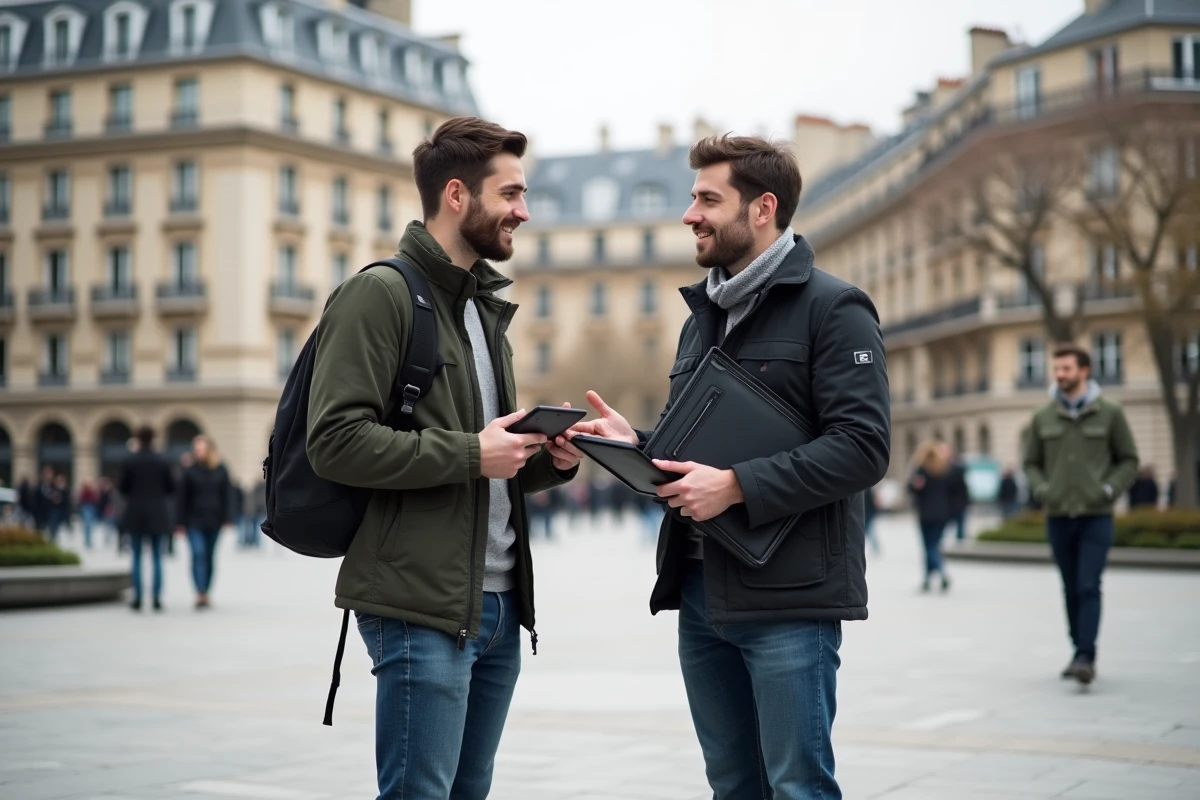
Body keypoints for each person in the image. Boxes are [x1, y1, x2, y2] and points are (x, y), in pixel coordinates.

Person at [561, 134, 890, 799]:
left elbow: (863, 446)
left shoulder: (835, 308)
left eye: (708, 200)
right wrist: (635, 444)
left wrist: (738, 487)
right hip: (702, 596)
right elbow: (700, 454)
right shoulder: (699, 319)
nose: (690, 215)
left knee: (798, 785)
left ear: (762, 208)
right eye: (692, 199)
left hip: (791, 600)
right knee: (732, 787)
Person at [304, 116, 580, 799]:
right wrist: (470, 453)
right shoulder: (380, 294)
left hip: (497, 606)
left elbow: (489, 458)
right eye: (511, 193)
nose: (524, 209)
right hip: (417, 607)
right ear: (457, 195)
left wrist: (556, 459)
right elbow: (334, 440)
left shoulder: (485, 312)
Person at [1023, 343, 1139, 686]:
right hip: (1058, 515)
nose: (1060, 375)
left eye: (1066, 369)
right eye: (1056, 369)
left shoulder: (1111, 412)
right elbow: (1030, 462)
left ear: (1084, 371)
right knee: (1070, 587)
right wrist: (1043, 489)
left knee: (1089, 585)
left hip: (1096, 516)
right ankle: (1079, 651)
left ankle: (1086, 654)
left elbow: (1129, 459)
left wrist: (1108, 490)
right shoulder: (1043, 416)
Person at [119, 426, 175, 611]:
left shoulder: (129, 461)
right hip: (158, 513)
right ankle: (157, 598)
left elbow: (122, 488)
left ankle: (138, 597)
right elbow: (171, 488)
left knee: (136, 557)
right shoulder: (163, 461)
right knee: (157, 557)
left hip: (135, 513)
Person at [176, 435, 232, 609]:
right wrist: (179, 522)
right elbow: (182, 498)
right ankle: (200, 591)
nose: (198, 451)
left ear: (209, 449)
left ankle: (206, 590)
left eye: (201, 448)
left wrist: (228, 517)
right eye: (196, 448)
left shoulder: (221, 469)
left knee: (209, 556)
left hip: (214, 519)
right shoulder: (189, 470)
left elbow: (227, 495)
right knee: (198, 554)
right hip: (194, 520)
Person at [908, 441, 964, 592]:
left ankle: (940, 572)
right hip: (942, 514)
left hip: (926, 514)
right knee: (934, 545)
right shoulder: (945, 470)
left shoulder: (921, 471)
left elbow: (912, 489)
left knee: (929, 546)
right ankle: (928, 578)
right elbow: (954, 493)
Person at [78, 481, 100, 549]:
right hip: (86, 508)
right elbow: (82, 499)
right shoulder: (85, 492)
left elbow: (96, 499)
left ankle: (89, 541)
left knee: (90, 525)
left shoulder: (93, 492)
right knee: (87, 525)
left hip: (92, 508)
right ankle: (87, 541)